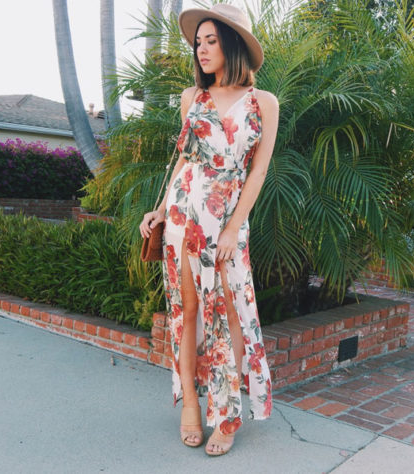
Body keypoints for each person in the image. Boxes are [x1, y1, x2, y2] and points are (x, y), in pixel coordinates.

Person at [139, 4, 279, 456]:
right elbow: (184, 160)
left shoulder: (264, 103)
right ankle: (190, 407)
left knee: (231, 315)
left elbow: (258, 172)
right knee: (188, 312)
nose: (200, 49)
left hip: (228, 222)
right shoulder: (192, 98)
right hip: (183, 218)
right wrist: (160, 211)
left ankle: (228, 414)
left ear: (232, 44)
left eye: (211, 41)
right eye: (198, 42)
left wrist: (233, 229)